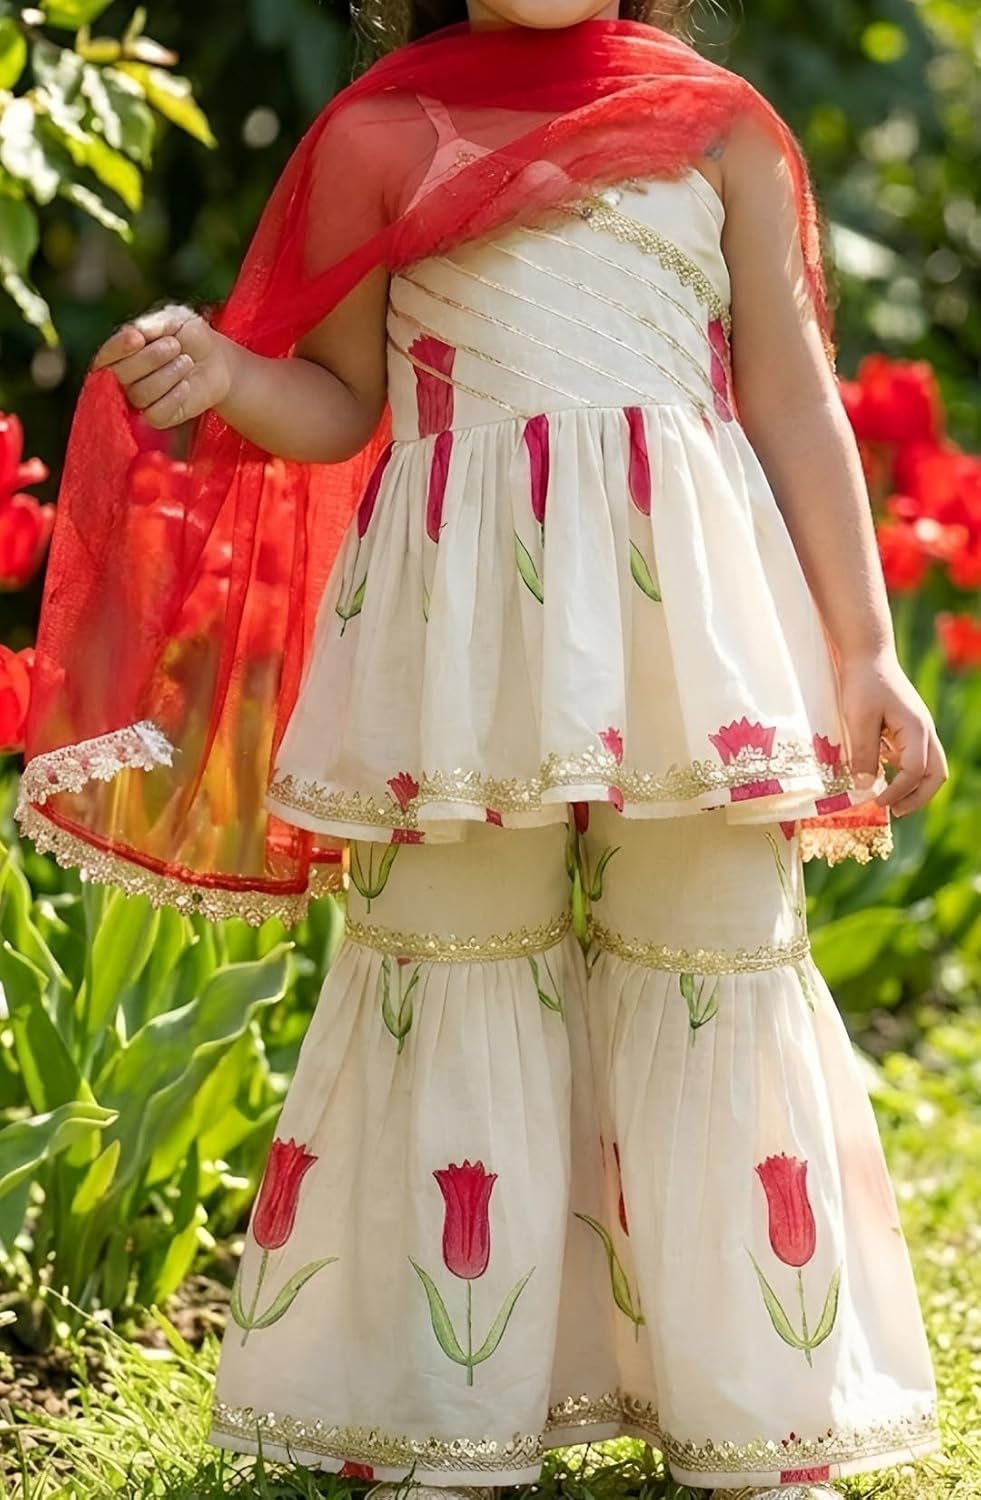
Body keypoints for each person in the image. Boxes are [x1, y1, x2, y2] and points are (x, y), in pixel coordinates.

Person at [17, 2, 947, 1498]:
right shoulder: (379, 131)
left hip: (684, 624)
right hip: (458, 628)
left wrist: (864, 649)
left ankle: (753, 1422)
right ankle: (447, 1420)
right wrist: (227, 374)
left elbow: (786, 393)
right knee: (449, 961)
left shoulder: (718, 128)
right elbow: (341, 404)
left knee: (712, 955)